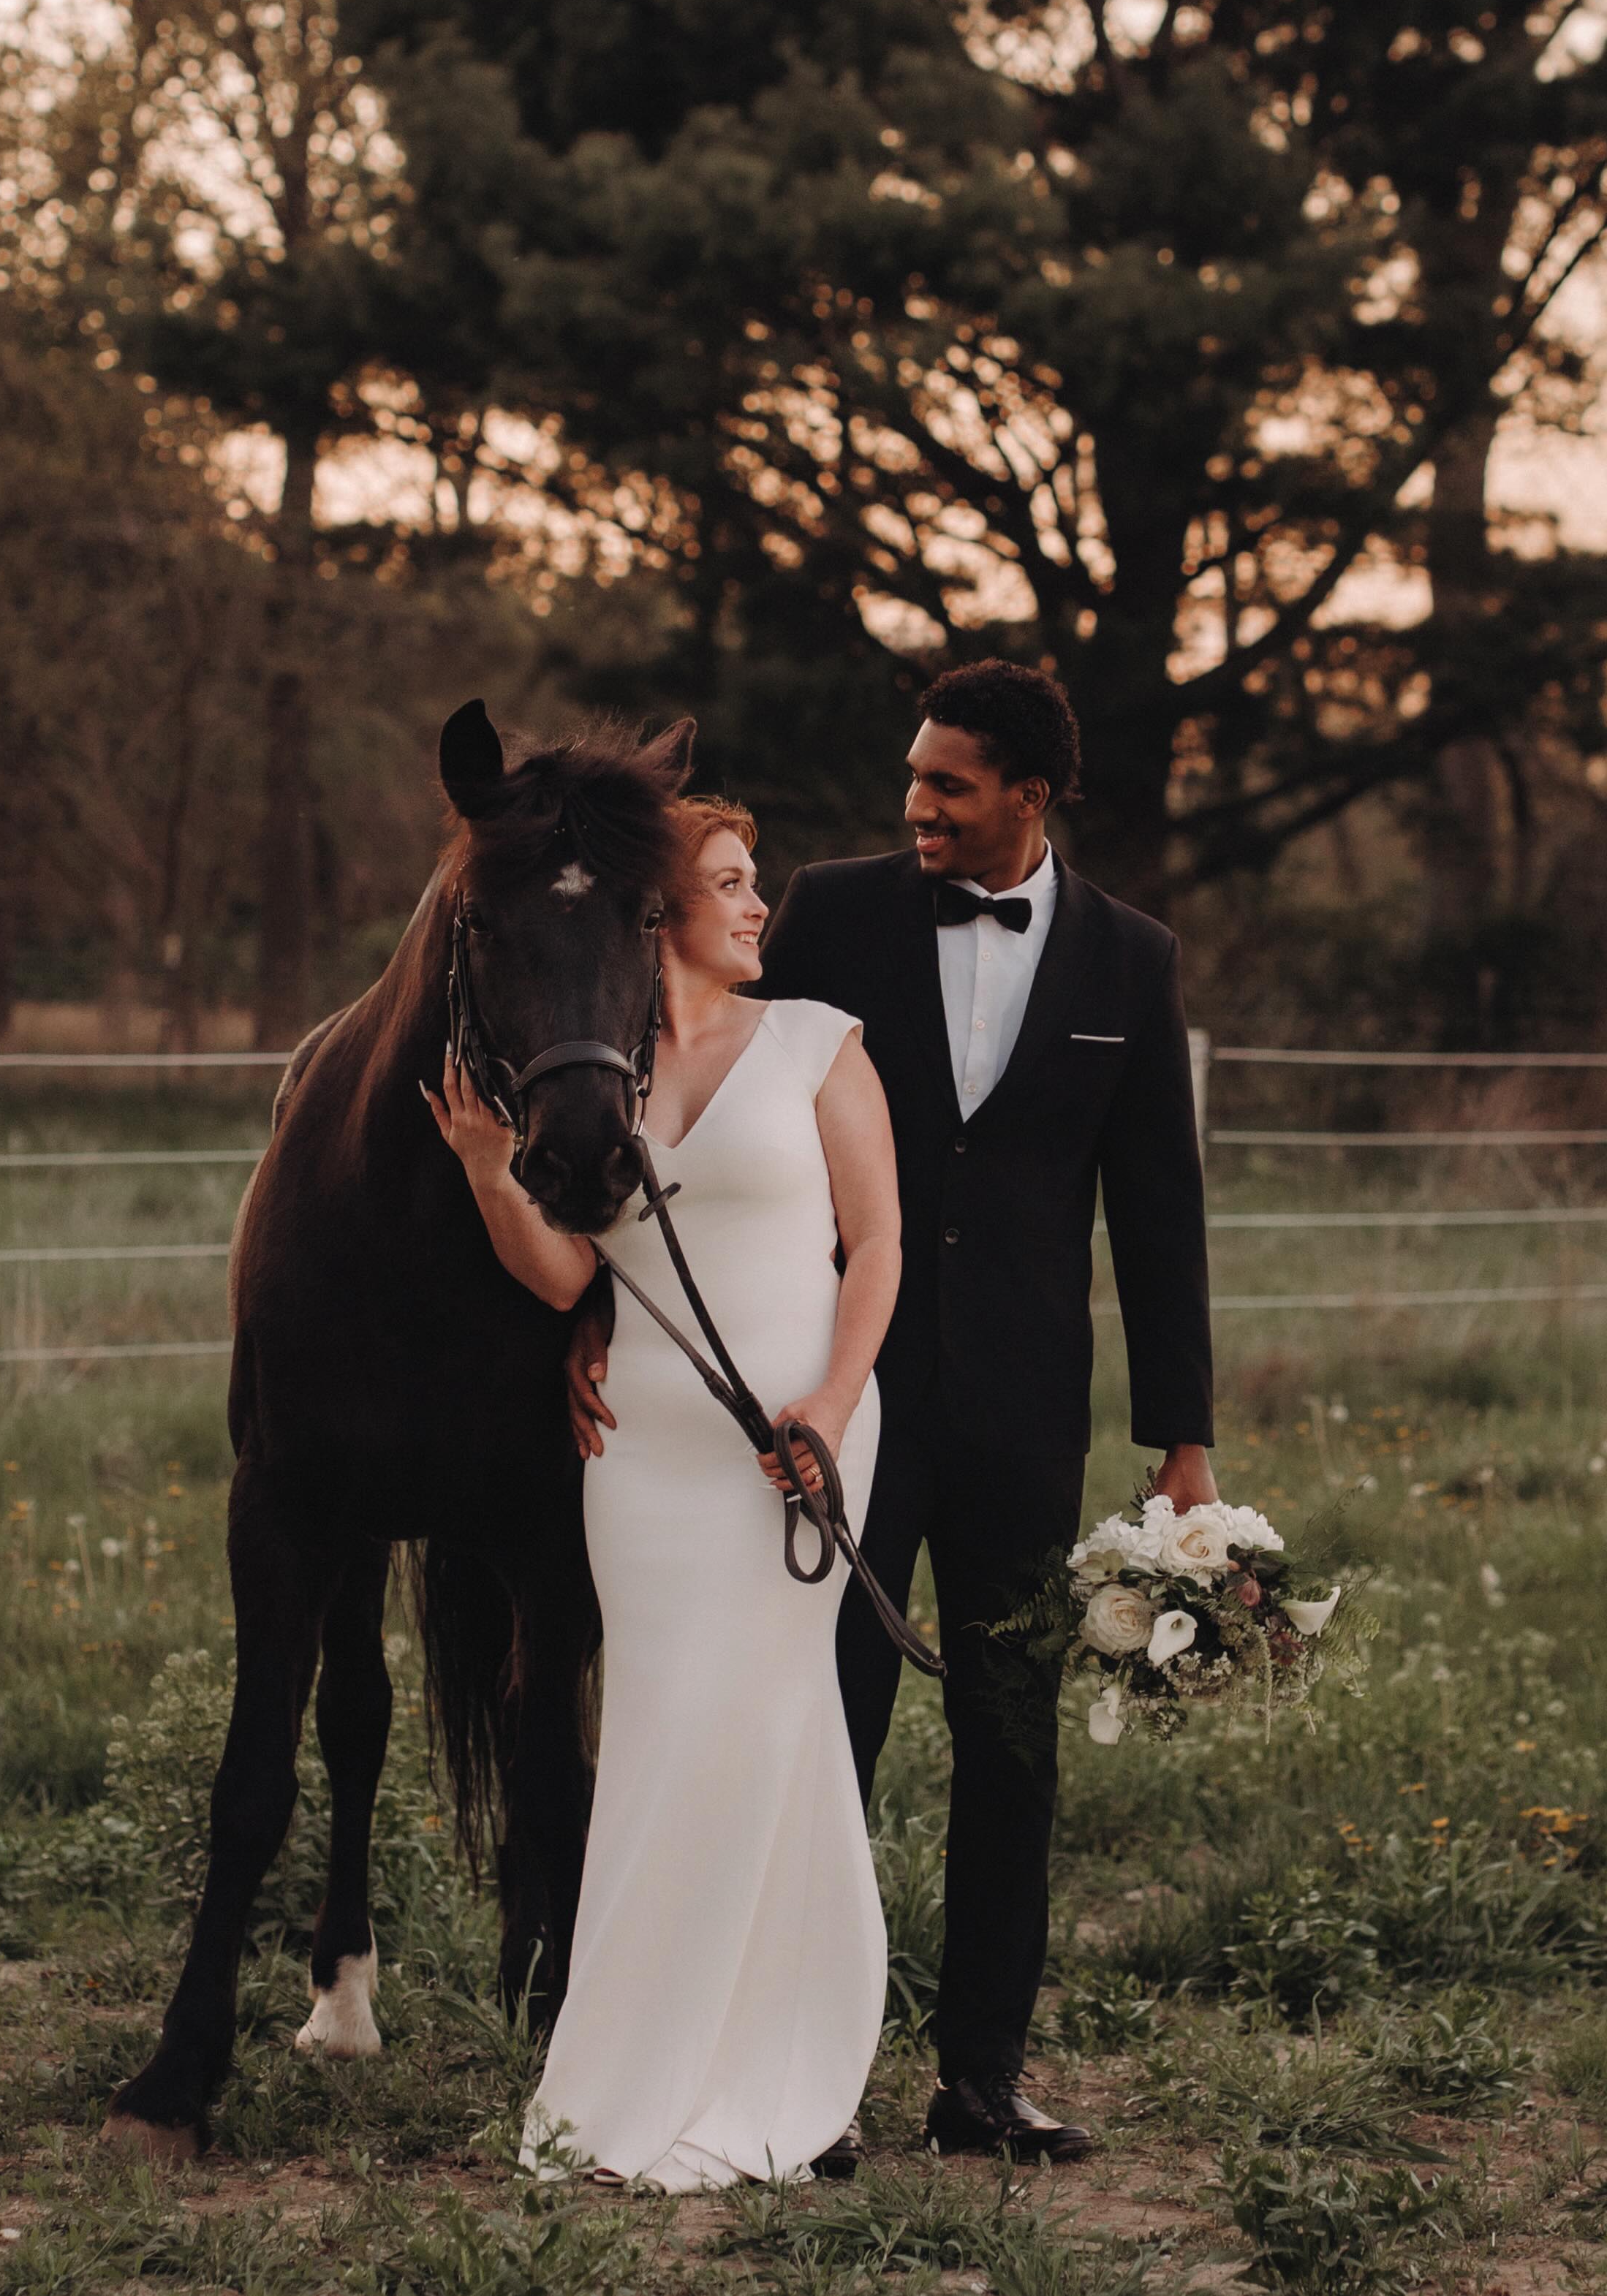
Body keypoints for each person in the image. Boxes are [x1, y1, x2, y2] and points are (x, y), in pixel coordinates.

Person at [571, 661, 1215, 2164]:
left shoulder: (1131, 959)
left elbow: (1160, 1212)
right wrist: (603, 1318)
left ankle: (981, 2075)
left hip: (1022, 1410)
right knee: (824, 1722)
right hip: (829, 1398)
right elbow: (698, 1112)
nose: (913, 804)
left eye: (947, 782)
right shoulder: (833, 907)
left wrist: (1178, 1439)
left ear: (1029, 795)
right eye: (911, 775)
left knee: (1010, 1737)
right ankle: (803, 2080)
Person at [428, 794, 901, 2191]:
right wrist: (486, 1174)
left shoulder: (818, 1043)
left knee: (766, 1729)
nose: (759, 907)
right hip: (641, 1464)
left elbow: (873, 1247)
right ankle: (629, 2069)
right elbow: (575, 1279)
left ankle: (782, 2057)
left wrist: (825, 1403)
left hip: (799, 1445)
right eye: (733, 885)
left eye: (755, 883)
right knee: (653, 1739)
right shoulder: (602, 1076)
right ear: (659, 913)